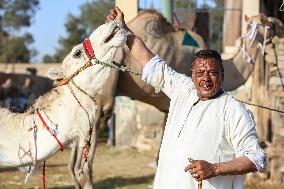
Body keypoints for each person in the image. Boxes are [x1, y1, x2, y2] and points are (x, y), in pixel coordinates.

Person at [106, 7, 267, 189]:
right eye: (200, 73)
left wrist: (214, 169)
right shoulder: (182, 90)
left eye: (213, 73)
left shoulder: (234, 110)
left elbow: (256, 158)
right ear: (192, 75)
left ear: (222, 76)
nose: (206, 78)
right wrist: (125, 30)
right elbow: (148, 60)